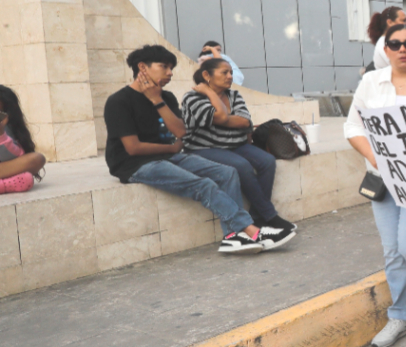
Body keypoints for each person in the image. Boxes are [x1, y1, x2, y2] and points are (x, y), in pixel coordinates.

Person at [104, 45, 290, 253]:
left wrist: (156, 100)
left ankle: (232, 237)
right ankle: (251, 230)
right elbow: (132, 148)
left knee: (227, 173)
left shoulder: (166, 98)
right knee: (202, 185)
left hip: (169, 155)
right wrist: (171, 148)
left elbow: (181, 131)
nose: (170, 73)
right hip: (135, 164)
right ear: (142, 68)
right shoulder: (119, 101)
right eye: (164, 67)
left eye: (171, 68)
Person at [346, 24, 406, 347]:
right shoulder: (371, 82)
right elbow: (352, 125)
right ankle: (401, 315)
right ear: (385, 50)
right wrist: (376, 157)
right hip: (383, 182)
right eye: (394, 44)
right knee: (393, 250)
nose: (402, 49)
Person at [181, 58, 296, 235]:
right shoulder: (193, 97)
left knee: (267, 161)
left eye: (231, 73)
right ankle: (270, 216)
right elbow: (219, 117)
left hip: (237, 145)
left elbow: (244, 121)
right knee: (241, 165)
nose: (229, 76)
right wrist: (212, 96)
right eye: (224, 72)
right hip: (205, 148)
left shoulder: (234, 95)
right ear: (206, 75)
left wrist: (225, 118)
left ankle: (257, 218)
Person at [0, 86, 45, 194]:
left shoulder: (6, 128)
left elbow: (16, 157)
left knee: (37, 159)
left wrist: (1, 135)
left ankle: (3, 185)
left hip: (4, 168)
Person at [368, 6, 406, 71]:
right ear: (390, 22)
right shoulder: (383, 43)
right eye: (404, 20)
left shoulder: (391, 42)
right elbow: (403, 69)